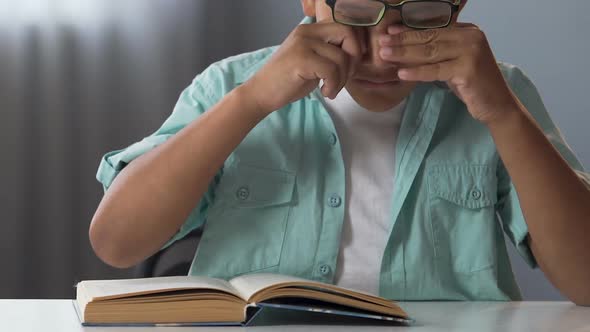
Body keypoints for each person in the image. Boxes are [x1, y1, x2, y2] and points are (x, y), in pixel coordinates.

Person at [89, 0, 590, 304]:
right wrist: (253, 100)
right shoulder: (232, 85)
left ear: (456, 11)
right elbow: (117, 242)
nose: (382, 49)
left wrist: (503, 115)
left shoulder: (501, 94)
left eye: (418, 17)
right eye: (356, 12)